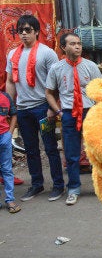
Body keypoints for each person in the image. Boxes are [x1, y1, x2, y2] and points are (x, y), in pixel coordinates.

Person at [5, 14, 65, 202]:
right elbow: (9, 81)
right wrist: (10, 106)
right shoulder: (12, 54)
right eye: (20, 30)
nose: (23, 34)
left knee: (50, 148)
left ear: (37, 32)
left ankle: (58, 186)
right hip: (22, 110)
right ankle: (37, 184)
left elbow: (56, 82)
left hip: (42, 108)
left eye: (28, 30)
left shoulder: (46, 53)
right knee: (30, 150)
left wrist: (51, 107)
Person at [44, 32, 102, 205]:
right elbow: (49, 93)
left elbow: (100, 90)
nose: (77, 46)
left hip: (90, 112)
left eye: (79, 43)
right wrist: (59, 112)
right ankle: (74, 189)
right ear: (63, 47)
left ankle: (101, 188)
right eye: (73, 44)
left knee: (97, 153)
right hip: (68, 113)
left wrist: (100, 111)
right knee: (71, 154)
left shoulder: (91, 66)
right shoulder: (56, 68)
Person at [0, 90, 20, 213]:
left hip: (4, 137)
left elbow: (13, 114)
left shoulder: (5, 96)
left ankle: (10, 199)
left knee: (6, 169)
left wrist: (9, 133)